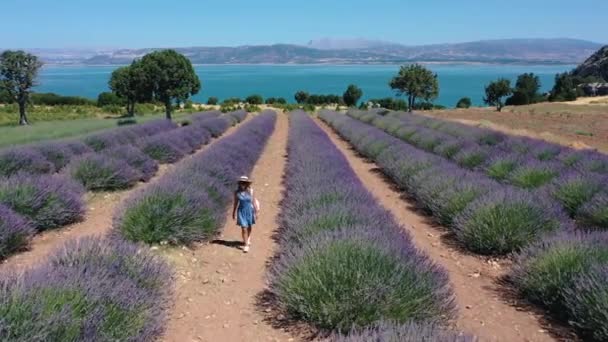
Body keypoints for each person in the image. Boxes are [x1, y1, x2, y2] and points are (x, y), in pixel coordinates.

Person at [232, 176, 258, 253]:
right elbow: (236, 203)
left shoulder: (251, 191)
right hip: (241, 211)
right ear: (239, 184)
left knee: (249, 226)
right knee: (244, 227)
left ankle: (248, 237)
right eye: (241, 183)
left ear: (247, 184)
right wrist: (234, 213)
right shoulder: (236, 192)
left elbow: (253, 202)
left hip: (250, 210)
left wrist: (257, 212)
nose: (242, 184)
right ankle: (246, 245)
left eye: (244, 183)